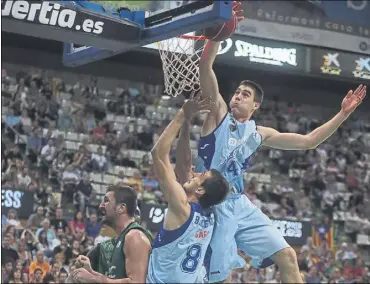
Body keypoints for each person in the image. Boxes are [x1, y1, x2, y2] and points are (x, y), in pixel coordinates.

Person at [193, 2, 367, 282]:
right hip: (211, 204)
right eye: (237, 91)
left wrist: (343, 113)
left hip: (239, 203)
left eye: (245, 94)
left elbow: (309, 141)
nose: (237, 96)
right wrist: (218, 34)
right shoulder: (218, 115)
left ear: (256, 106)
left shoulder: (260, 133)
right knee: (219, 276)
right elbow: (205, 66)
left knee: (288, 256)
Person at [146, 95, 229, 283]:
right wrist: (187, 126)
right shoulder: (209, 215)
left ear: (200, 191)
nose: (194, 174)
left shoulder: (182, 208)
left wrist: (183, 114)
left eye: (199, 176)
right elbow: (184, 167)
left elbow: (158, 155)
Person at [71, 184, 152, 283]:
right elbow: (114, 279)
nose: (101, 206)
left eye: (106, 201)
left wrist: (93, 279)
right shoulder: (121, 238)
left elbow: (137, 282)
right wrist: (91, 272)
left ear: (121, 208)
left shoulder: (135, 236)